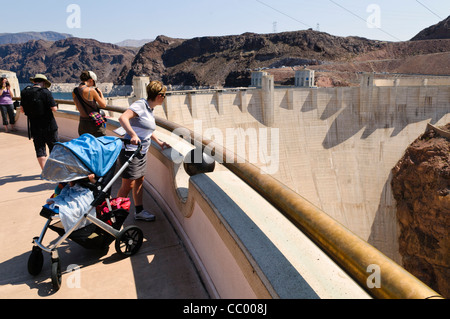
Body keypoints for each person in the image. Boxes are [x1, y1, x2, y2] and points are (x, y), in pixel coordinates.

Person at [117, 80, 171, 221]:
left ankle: (139, 211)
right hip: (130, 152)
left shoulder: (149, 109)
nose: (164, 98)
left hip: (141, 152)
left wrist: (158, 142)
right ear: (159, 95)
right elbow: (122, 118)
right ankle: (115, 213)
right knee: (127, 185)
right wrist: (133, 135)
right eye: (164, 95)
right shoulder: (141, 105)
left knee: (140, 181)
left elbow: (146, 130)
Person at [20, 74, 58, 170]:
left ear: (34, 81)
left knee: (39, 148)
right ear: (44, 82)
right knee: (53, 147)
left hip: (34, 126)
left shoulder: (25, 92)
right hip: (49, 125)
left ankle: (44, 171)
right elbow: (54, 109)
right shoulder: (46, 92)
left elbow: (22, 110)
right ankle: (55, 170)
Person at [72, 70, 107, 137]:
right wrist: (101, 94)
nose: (93, 85)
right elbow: (103, 105)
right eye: (93, 83)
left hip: (83, 123)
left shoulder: (75, 91)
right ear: (91, 80)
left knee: (85, 144)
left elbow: (78, 106)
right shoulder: (91, 91)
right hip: (94, 124)